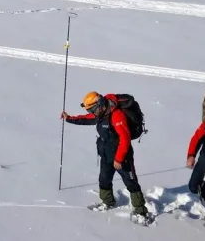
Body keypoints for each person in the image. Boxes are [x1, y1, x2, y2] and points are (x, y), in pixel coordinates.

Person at [61, 91, 149, 219]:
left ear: (100, 105)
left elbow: (125, 138)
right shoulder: (100, 113)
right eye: (89, 110)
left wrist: (119, 159)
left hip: (122, 157)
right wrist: (69, 118)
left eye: (92, 110)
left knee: (131, 182)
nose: (92, 113)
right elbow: (86, 119)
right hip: (106, 154)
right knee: (104, 179)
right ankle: (108, 202)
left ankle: (141, 211)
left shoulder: (116, 115)